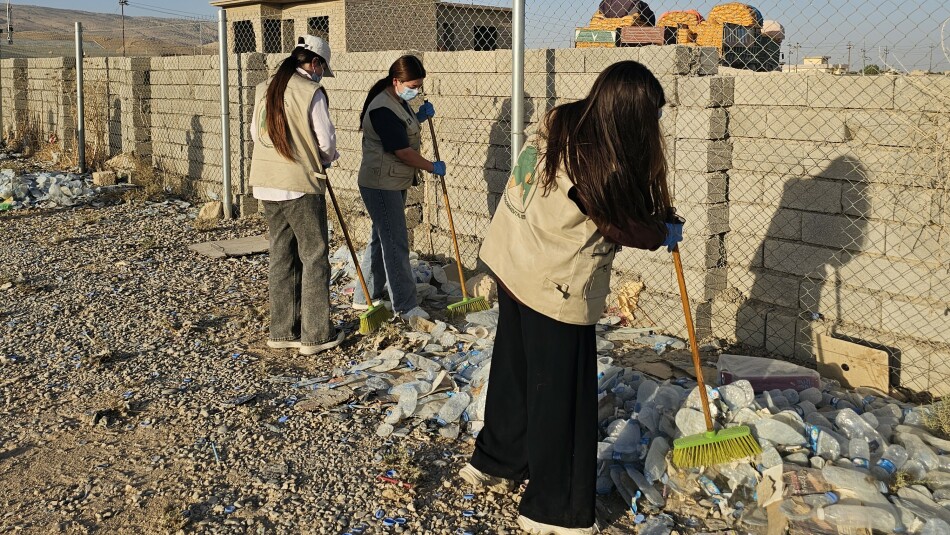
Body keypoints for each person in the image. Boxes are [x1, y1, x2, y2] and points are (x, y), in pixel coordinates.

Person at [458, 61, 684, 534]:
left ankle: (497, 460)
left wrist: (649, 210)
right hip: (552, 281)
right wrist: (659, 232)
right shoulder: (597, 159)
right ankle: (552, 509)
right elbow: (617, 224)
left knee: (517, 371)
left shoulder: (563, 119)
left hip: (512, 256)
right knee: (561, 396)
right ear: (627, 116)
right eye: (649, 119)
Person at [249, 35, 344, 356]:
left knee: (281, 253)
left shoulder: (265, 88)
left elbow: (254, 134)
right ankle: (316, 335)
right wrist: (326, 160)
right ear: (315, 63)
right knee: (314, 255)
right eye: (322, 68)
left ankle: (282, 331)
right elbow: (326, 140)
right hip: (298, 183)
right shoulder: (310, 91)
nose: (321, 75)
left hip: (264, 181)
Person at [353, 55, 444, 322]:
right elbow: (403, 151)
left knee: (381, 236)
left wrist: (418, 117)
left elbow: (400, 130)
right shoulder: (383, 107)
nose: (415, 91)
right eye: (413, 85)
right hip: (381, 184)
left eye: (418, 86)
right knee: (395, 243)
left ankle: (365, 295)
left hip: (389, 181)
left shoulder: (396, 100)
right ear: (397, 81)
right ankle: (405, 306)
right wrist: (431, 166)